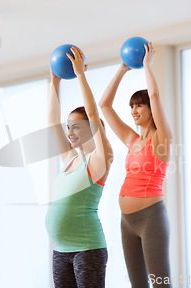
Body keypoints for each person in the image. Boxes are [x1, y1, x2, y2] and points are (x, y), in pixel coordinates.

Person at [99, 42, 173, 288]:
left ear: (152, 109)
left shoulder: (162, 139)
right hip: (127, 220)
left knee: (161, 283)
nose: (134, 110)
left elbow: (155, 95)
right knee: (137, 285)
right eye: (131, 106)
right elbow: (104, 106)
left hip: (152, 218)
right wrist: (122, 68)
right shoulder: (132, 140)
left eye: (139, 105)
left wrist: (146, 66)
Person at [45, 47, 113, 288]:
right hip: (60, 251)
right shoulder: (71, 160)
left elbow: (93, 113)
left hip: (87, 250)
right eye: (68, 127)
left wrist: (80, 75)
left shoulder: (98, 160)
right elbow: (52, 121)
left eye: (76, 127)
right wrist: (54, 80)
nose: (69, 132)